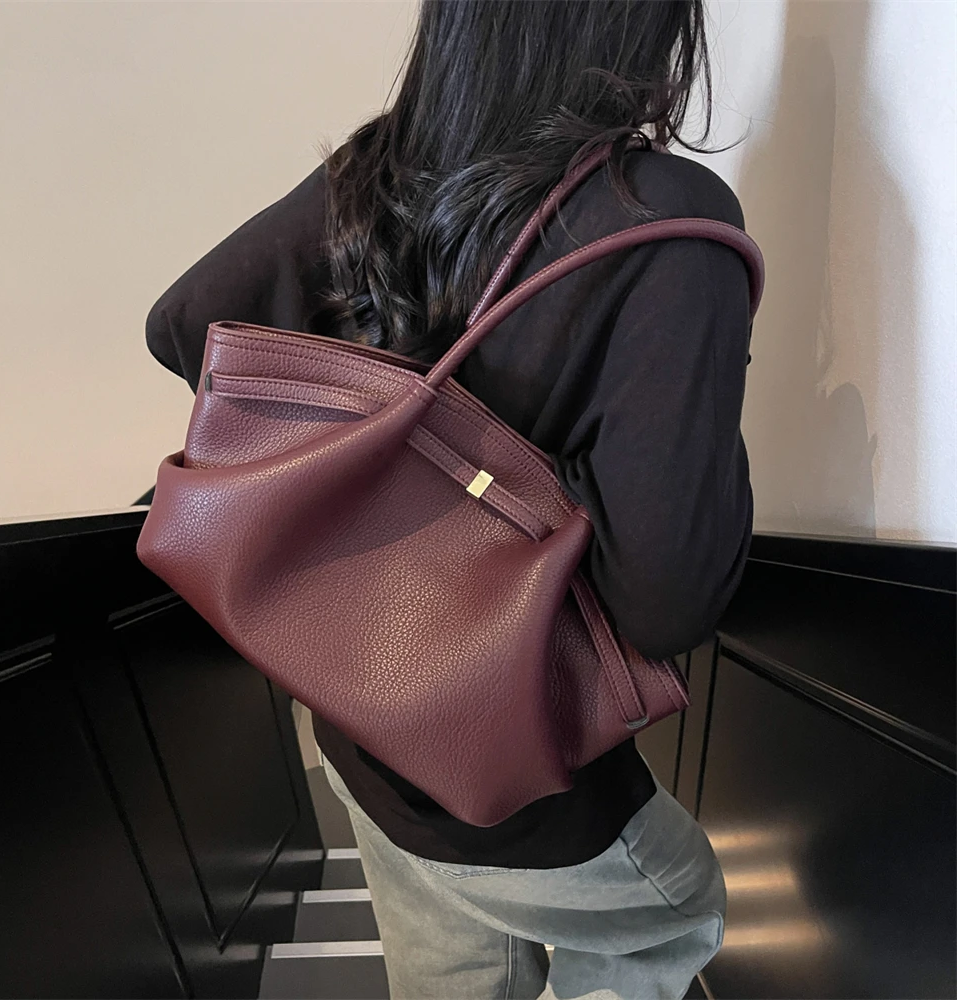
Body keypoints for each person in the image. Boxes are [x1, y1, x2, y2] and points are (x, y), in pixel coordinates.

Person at [145, 2, 755, 997]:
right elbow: (666, 602)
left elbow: (181, 323)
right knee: (677, 908)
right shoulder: (665, 222)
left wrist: (384, 459)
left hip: (364, 731)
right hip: (527, 786)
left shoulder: (376, 173)